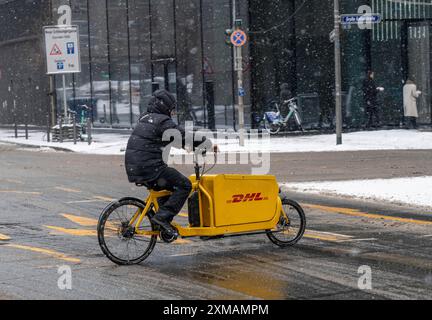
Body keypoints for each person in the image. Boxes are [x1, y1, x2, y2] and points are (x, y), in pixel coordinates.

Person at [125, 89, 214, 237]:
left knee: (164, 185)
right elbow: (182, 135)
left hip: (135, 167)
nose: (172, 113)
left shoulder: (145, 118)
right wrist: (205, 142)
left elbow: (171, 139)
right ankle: (162, 218)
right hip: (150, 168)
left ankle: (163, 223)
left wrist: (189, 147)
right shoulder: (162, 121)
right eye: (172, 109)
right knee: (185, 185)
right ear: (165, 107)